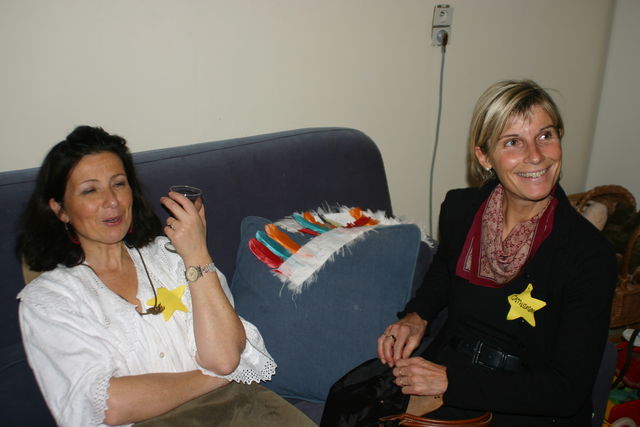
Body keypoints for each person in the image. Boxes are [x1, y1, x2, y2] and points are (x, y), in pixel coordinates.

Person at [321, 79, 617, 426]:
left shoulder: (588, 255)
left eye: (545, 135)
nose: (536, 155)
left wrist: (451, 382)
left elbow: (566, 392)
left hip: (523, 403)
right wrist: (417, 315)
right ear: (484, 156)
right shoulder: (461, 210)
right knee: (350, 404)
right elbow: (445, 271)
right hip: (450, 368)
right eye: (513, 142)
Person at [16, 126, 314, 427]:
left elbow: (224, 358)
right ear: (60, 210)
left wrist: (196, 253)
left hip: (241, 413)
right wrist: (214, 379)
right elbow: (108, 405)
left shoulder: (171, 256)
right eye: (90, 190)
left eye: (118, 184)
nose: (112, 201)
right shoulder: (48, 300)